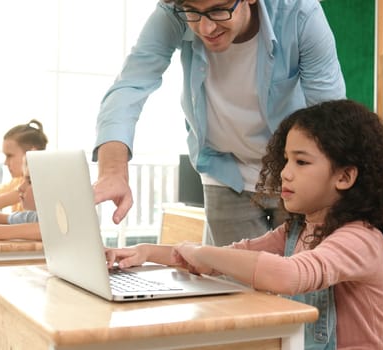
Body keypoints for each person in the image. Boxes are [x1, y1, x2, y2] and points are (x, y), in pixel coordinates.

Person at [106, 100, 383, 349]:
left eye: (301, 162)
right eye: (286, 160)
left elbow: (289, 275)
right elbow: (230, 257)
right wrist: (147, 252)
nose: (285, 172)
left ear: (344, 176)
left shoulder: (361, 238)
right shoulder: (299, 230)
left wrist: (202, 253)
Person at [92, 0, 346, 247]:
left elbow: (327, 112)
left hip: (294, 173)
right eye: (192, 12)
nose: (206, 28)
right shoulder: (172, 12)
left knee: (301, 281)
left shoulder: (300, 13)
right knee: (233, 283)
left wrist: (331, 188)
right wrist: (112, 170)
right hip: (225, 170)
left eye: (218, 11)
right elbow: (131, 85)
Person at [0, 119, 48, 212]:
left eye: (10, 156)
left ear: (31, 153)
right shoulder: (17, 181)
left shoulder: (31, 186)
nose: (5, 163)